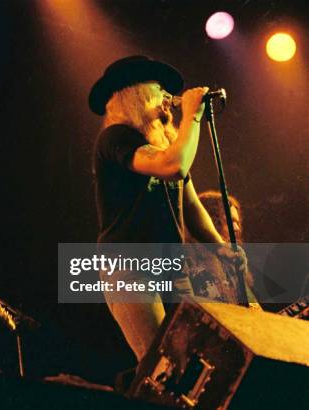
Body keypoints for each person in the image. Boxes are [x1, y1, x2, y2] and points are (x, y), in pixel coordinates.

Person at [89, 56, 242, 360]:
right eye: (158, 89)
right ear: (136, 94)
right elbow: (173, 166)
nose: (167, 98)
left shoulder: (164, 144)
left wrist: (221, 248)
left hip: (172, 267)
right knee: (159, 362)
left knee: (191, 360)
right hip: (129, 267)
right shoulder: (115, 138)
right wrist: (193, 117)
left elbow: (190, 201)